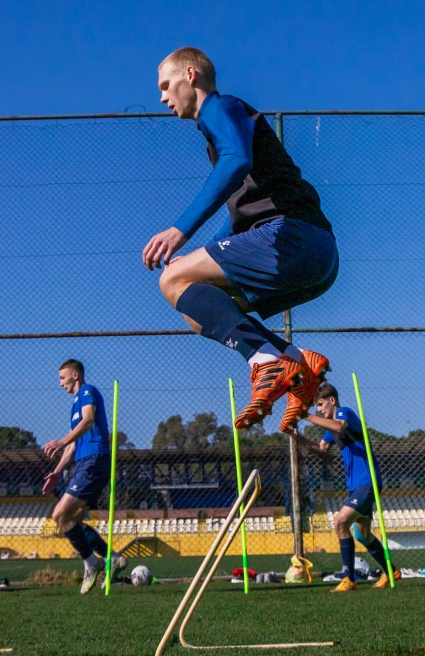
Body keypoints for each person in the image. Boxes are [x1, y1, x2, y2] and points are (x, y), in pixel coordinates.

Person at [144, 47, 339, 432]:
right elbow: (238, 221)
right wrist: (197, 253)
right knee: (197, 310)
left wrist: (180, 229)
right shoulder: (225, 132)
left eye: (166, 86)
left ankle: (266, 360)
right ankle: (296, 359)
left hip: (292, 239)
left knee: (172, 280)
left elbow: (237, 161)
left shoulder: (221, 108)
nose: (163, 97)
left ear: (190, 75)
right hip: (319, 256)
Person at [285, 383, 399, 591]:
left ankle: (349, 578)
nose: (319, 409)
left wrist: (306, 416)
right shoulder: (330, 426)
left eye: (320, 405)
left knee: (340, 522)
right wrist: (296, 437)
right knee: (362, 533)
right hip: (355, 485)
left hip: (367, 481)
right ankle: (391, 571)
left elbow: (339, 426)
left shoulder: (343, 412)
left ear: (332, 400)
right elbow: (320, 449)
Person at [42, 359, 128, 594]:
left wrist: (61, 441)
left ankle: (92, 563)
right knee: (73, 522)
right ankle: (112, 558)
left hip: (93, 461)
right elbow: (73, 444)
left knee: (60, 514)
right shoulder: (74, 405)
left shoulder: (88, 391)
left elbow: (89, 421)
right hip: (86, 463)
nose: (60, 383)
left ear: (75, 375)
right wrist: (58, 472)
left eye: (62, 378)